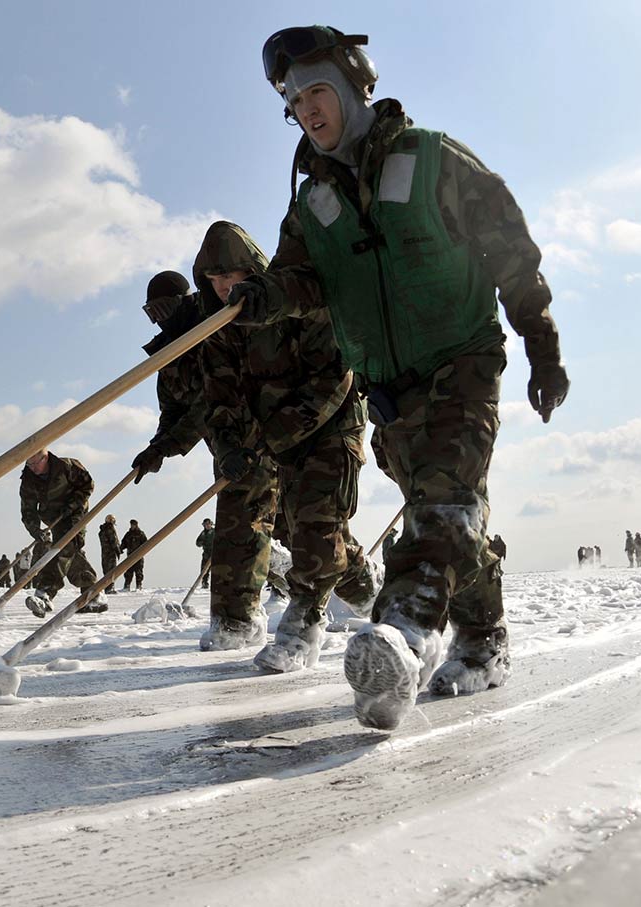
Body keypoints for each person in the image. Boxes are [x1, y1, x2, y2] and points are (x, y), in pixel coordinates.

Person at [230, 26, 570, 728]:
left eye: (316, 91)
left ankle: (405, 635)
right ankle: (483, 639)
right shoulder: (313, 206)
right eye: (293, 103)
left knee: (443, 501)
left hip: (462, 358)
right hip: (388, 387)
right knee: (451, 513)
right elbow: (299, 281)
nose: (306, 110)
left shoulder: (430, 159)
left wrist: (541, 342)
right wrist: (262, 297)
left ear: (355, 85)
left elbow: (508, 244)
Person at [198, 220, 379, 673]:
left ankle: (303, 624)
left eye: (231, 277)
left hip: (330, 424)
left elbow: (335, 376)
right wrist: (228, 446)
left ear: (251, 271)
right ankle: (370, 588)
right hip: (275, 437)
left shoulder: (294, 302)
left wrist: (275, 435)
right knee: (307, 532)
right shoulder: (217, 330)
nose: (223, 288)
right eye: (214, 280)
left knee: (317, 523)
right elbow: (221, 400)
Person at [131, 269, 283, 651]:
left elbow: (206, 406)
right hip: (226, 450)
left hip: (256, 441)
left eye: (165, 308)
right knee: (249, 528)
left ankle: (242, 619)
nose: (160, 318)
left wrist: (173, 444)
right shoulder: (169, 352)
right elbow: (173, 411)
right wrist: (156, 449)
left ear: (185, 301)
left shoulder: (216, 328)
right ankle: (265, 594)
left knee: (252, 527)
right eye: (152, 312)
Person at [20, 449, 104, 616]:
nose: (33, 468)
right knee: (70, 552)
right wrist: (35, 531)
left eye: (36, 463)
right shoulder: (28, 479)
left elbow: (87, 485)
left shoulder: (66, 466)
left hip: (74, 514)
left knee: (64, 547)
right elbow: (28, 509)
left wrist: (72, 505)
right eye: (29, 464)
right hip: (53, 518)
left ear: (45, 457)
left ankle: (45, 592)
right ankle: (93, 593)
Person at [119, 519, 149, 591]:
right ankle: (127, 586)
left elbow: (146, 544)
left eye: (133, 525)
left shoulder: (141, 534)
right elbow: (123, 543)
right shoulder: (128, 534)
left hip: (139, 556)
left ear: (136, 525)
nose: (132, 526)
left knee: (139, 572)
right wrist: (120, 549)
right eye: (131, 525)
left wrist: (142, 551)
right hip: (130, 556)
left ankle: (139, 586)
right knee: (129, 572)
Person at [98, 515, 120, 593]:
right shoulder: (110, 529)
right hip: (111, 553)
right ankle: (110, 588)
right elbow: (113, 540)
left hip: (104, 553)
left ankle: (107, 587)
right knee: (112, 570)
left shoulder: (102, 530)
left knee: (106, 570)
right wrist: (118, 550)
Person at [195, 518, 215, 588]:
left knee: (216, 569)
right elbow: (197, 543)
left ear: (211, 524)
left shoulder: (214, 532)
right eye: (205, 524)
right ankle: (204, 583)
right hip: (206, 553)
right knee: (204, 569)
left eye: (208, 524)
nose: (207, 526)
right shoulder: (203, 533)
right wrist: (201, 543)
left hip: (215, 553)